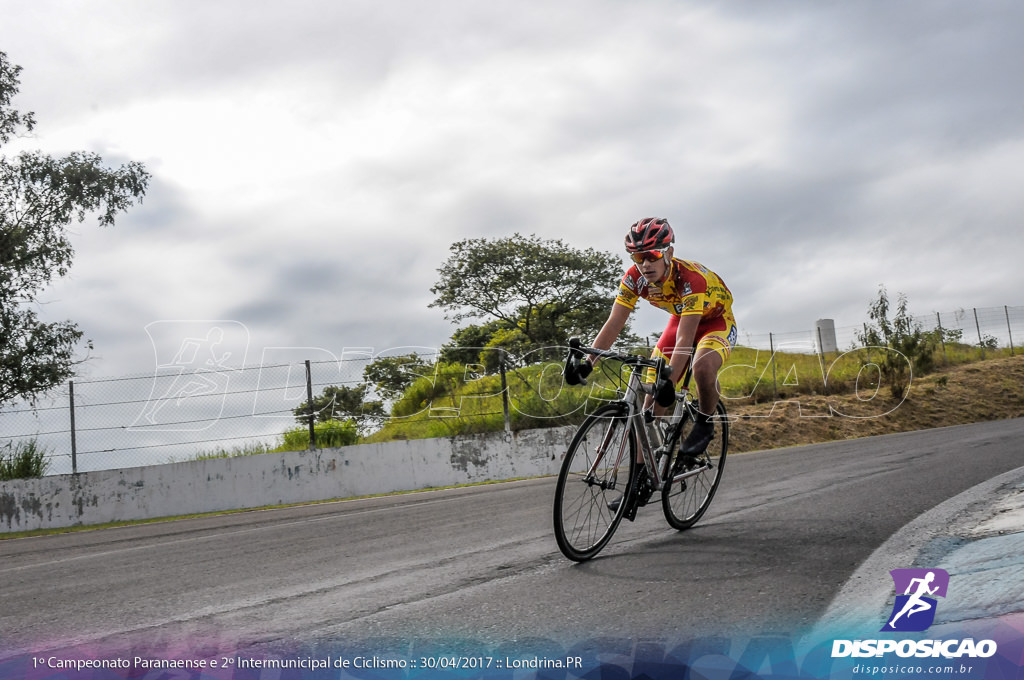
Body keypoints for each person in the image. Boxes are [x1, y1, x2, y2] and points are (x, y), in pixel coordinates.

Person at [584, 217, 737, 457]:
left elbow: (685, 341)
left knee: (702, 368)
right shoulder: (634, 278)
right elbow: (614, 323)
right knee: (647, 412)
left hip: (714, 322)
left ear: (669, 253)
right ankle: (639, 484)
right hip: (680, 320)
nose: (645, 264)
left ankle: (704, 423)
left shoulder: (690, 279)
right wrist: (588, 362)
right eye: (637, 257)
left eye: (652, 256)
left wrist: (669, 382)